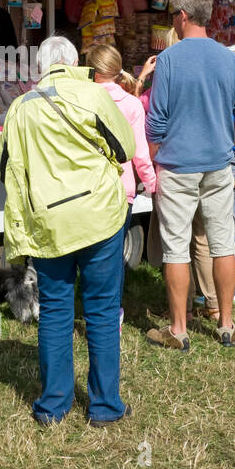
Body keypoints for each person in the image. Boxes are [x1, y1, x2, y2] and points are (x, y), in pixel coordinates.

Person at [0, 36, 135, 427]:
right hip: (99, 217)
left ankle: (53, 406)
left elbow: (1, 165)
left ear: (40, 66)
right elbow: (124, 148)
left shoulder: (20, 108)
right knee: (102, 311)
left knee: (55, 311)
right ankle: (105, 406)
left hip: (49, 223)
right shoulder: (92, 95)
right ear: (75, 62)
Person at [146, 0, 235, 350]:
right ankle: (226, 324)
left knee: (176, 248)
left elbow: (156, 121)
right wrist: (228, 140)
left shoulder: (169, 61)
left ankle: (179, 330)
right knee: (222, 244)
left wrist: (156, 151)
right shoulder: (229, 59)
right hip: (217, 164)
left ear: (181, 16)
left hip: (177, 165)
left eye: (172, 18)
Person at [83, 44, 157, 333]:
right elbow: (139, 153)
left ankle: (91, 308)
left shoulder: (80, 100)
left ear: (91, 69)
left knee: (88, 250)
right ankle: (110, 312)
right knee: (113, 254)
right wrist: (151, 184)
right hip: (120, 189)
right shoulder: (131, 104)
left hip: (86, 186)